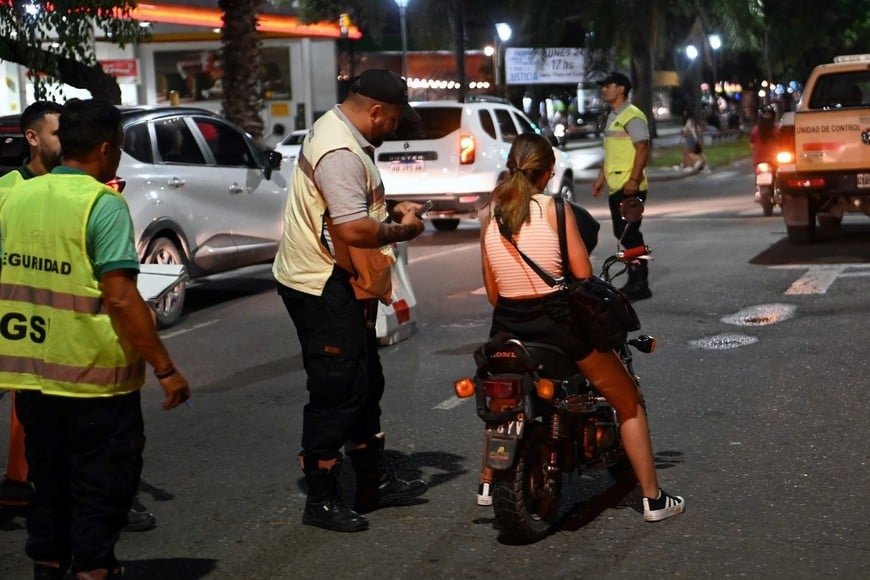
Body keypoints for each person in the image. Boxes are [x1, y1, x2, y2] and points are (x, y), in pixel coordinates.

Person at [0, 98, 191, 580]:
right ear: (107, 149)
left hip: (32, 375)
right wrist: (166, 369)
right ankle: (94, 570)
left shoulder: (15, 195)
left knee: (49, 486)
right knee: (100, 491)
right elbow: (123, 299)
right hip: (94, 381)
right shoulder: (101, 203)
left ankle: (48, 568)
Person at [478, 131, 685, 523]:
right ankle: (653, 499)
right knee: (628, 402)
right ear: (549, 172)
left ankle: (488, 484)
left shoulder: (492, 215)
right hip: (558, 328)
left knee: (502, 401)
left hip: (506, 328)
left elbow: (493, 291)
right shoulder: (558, 210)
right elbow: (583, 273)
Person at [272, 69, 429, 533]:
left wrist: (393, 205)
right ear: (375, 110)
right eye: (393, 119)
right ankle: (320, 499)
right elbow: (353, 228)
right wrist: (406, 230)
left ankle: (371, 481)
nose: (394, 128)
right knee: (336, 390)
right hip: (320, 283)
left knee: (365, 381)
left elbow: (353, 207)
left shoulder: (341, 131)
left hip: (338, 279)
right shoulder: (340, 151)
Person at [591, 72, 652, 301]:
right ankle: (636, 280)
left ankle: (640, 283)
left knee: (629, 235)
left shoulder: (632, 116)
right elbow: (612, 153)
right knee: (623, 233)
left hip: (630, 186)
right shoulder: (614, 116)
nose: (604, 89)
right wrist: (601, 178)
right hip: (618, 185)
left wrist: (634, 179)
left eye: (608, 85)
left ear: (621, 89)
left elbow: (643, 147)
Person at [676, 109, 710, 173]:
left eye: (685, 112)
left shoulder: (689, 121)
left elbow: (690, 131)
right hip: (694, 139)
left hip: (691, 139)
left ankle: (694, 164)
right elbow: (696, 130)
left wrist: (683, 133)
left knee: (690, 153)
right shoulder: (693, 120)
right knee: (694, 153)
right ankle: (684, 165)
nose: (684, 113)